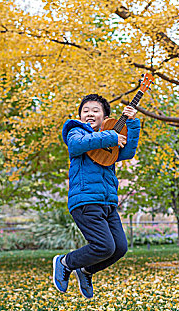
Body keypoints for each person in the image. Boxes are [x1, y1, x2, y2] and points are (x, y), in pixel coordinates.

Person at [53, 94, 140, 299]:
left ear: (105, 117)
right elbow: (76, 145)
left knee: (119, 248)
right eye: (86, 110)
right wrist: (111, 136)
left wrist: (133, 123)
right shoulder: (76, 131)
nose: (90, 113)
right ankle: (65, 262)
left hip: (108, 202)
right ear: (80, 115)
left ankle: (85, 271)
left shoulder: (109, 141)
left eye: (96, 110)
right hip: (85, 200)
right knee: (104, 246)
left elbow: (127, 152)